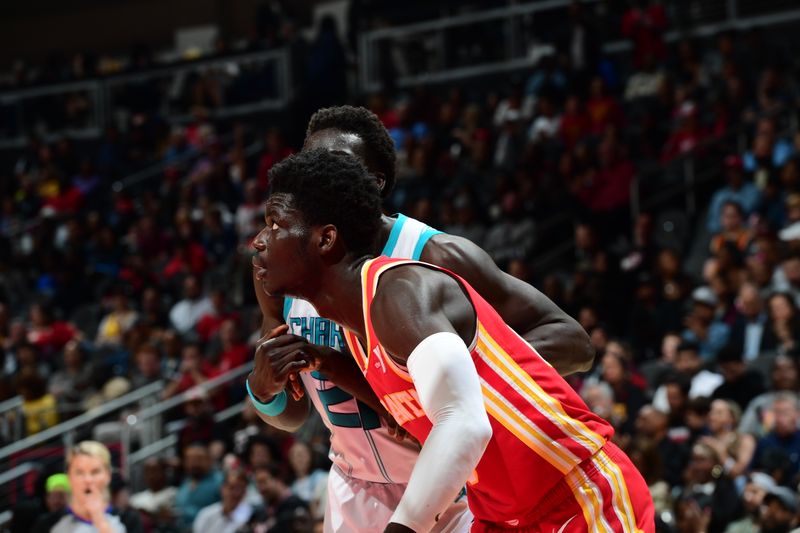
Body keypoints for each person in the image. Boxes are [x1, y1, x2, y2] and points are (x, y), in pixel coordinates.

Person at [251, 149, 654, 532]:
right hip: (502, 516)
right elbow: (405, 419)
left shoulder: (397, 291)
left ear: (325, 239)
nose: (259, 240)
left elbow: (463, 424)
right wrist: (322, 361)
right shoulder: (357, 328)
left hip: (574, 497)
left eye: (274, 224)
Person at [52, 441, 127, 533]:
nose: (88, 480)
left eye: (95, 472)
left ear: (108, 475)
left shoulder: (127, 518)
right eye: (79, 472)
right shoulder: (51, 521)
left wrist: (100, 519)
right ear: (69, 477)